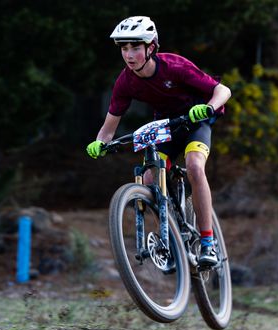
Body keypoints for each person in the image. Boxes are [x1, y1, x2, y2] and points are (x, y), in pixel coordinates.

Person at [86, 16, 231, 266]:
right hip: (166, 127)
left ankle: (208, 243)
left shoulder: (174, 66)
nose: (129, 55)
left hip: (195, 121)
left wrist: (208, 108)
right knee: (149, 179)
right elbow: (109, 128)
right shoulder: (125, 81)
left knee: (195, 166)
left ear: (151, 47)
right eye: (124, 48)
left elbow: (223, 90)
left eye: (135, 47)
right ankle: (170, 236)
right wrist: (99, 142)